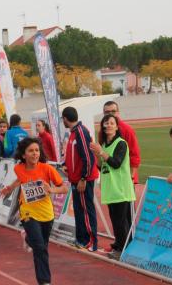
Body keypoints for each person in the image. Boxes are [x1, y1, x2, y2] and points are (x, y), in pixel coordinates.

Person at [0, 138, 67, 285]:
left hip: (46, 213)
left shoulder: (47, 169)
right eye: (31, 151)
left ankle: (28, 238)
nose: (35, 153)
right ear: (24, 155)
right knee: (40, 248)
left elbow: (64, 188)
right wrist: (9, 189)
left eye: (37, 150)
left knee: (41, 245)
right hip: (28, 211)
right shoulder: (18, 168)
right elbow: (21, 179)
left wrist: (52, 189)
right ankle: (45, 281)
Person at [90, 115, 136, 259]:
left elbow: (116, 163)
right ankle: (119, 244)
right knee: (115, 220)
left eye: (111, 123)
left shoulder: (121, 143)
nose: (108, 125)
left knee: (122, 221)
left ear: (117, 127)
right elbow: (101, 166)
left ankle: (124, 249)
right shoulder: (104, 145)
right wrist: (97, 155)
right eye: (106, 123)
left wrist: (101, 153)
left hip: (121, 189)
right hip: (110, 189)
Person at [62, 106, 99, 251]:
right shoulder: (74, 132)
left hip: (83, 180)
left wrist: (83, 178)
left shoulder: (81, 132)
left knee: (86, 209)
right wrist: (66, 165)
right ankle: (81, 239)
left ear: (65, 118)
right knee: (78, 209)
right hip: (75, 179)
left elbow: (88, 157)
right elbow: (74, 155)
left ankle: (91, 241)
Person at [103, 101, 141, 184]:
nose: (110, 114)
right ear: (103, 114)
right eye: (107, 112)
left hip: (125, 177)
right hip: (110, 176)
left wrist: (132, 175)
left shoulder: (127, 130)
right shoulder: (103, 131)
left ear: (118, 113)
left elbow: (134, 153)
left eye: (113, 111)